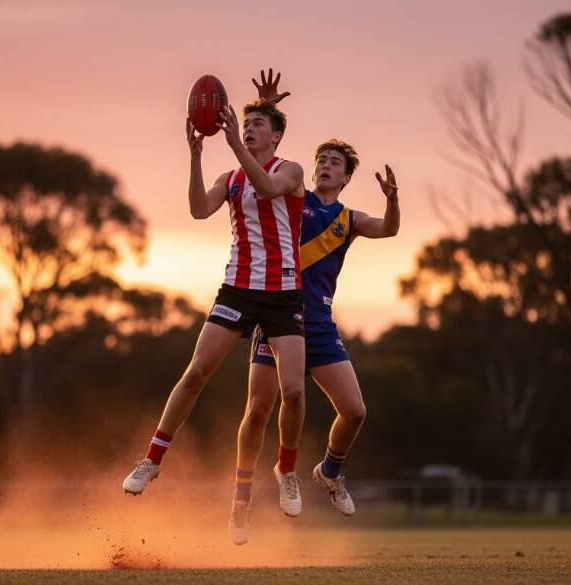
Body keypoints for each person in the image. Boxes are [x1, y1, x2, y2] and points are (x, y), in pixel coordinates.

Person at [228, 71, 400, 545]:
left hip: (319, 325)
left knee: (355, 410)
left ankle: (329, 470)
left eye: (335, 163)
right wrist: (261, 106)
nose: (325, 165)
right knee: (258, 410)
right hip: (278, 315)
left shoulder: (347, 219)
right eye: (321, 158)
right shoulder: (294, 198)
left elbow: (388, 229)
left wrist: (394, 200)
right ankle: (241, 498)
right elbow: (263, 152)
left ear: (346, 178)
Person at [122, 81, 308, 516]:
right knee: (196, 372)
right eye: (245, 124)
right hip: (238, 290)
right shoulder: (231, 178)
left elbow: (266, 188)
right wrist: (196, 156)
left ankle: (287, 470)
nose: (247, 130)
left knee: (294, 393)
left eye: (257, 124)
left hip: (283, 294)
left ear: (276, 136)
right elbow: (198, 210)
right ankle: (152, 459)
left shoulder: (291, 170)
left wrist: (235, 136)